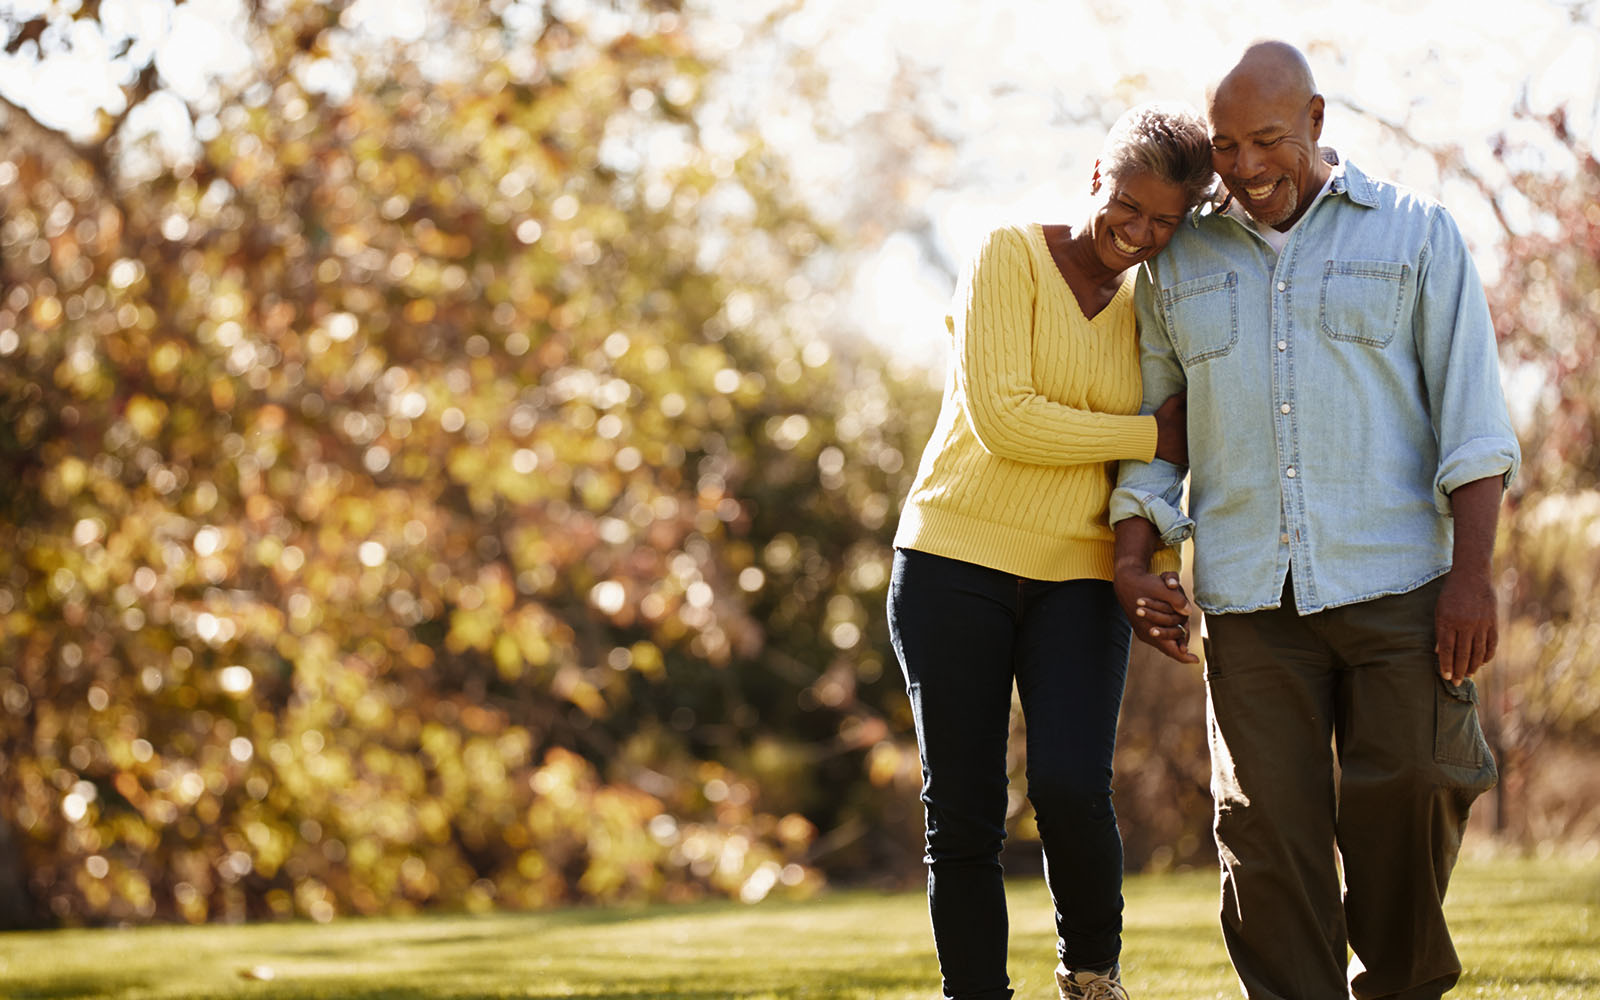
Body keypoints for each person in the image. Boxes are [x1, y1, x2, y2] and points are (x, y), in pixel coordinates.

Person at [1110, 42, 1520, 1000]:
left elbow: (1473, 419)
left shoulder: (1416, 232)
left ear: (1318, 121)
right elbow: (1158, 425)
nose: (1248, 169)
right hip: (1253, 596)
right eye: (1225, 146)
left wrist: (1474, 574)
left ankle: (1401, 984)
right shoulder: (1182, 257)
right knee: (1265, 841)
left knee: (1417, 785)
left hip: (1402, 583)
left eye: (1268, 140)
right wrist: (1136, 554)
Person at [888, 102, 1214, 1000]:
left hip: (1077, 574)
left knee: (1072, 787)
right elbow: (1005, 419)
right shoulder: (1008, 255)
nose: (1139, 234)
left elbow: (1175, 444)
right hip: (955, 562)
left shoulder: (1153, 305)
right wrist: (1146, 432)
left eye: (1164, 222)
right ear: (1096, 177)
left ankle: (1092, 978)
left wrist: (1155, 545)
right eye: (1129, 206)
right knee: (964, 813)